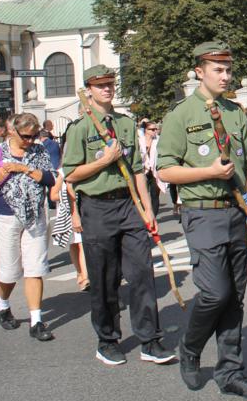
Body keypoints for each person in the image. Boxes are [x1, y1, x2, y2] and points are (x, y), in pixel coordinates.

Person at [156, 42, 247, 399]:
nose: (225, 76)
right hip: (201, 212)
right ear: (199, 71)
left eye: (228, 69)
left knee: (235, 296)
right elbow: (165, 170)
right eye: (217, 69)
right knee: (214, 293)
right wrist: (207, 172)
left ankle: (230, 371)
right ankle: (190, 347)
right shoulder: (181, 114)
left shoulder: (235, 113)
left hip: (236, 213)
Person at [61, 65, 174, 367]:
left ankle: (150, 339)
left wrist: (148, 209)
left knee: (142, 274)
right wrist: (104, 161)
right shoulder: (81, 128)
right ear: (89, 90)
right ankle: (107, 340)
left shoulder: (125, 123)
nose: (107, 89)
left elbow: (137, 169)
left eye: (110, 84)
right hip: (97, 206)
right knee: (104, 278)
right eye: (100, 86)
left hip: (128, 204)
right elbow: (71, 174)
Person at [0, 113, 57, 342]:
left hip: (35, 216)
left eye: (33, 136)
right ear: (13, 131)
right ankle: (3, 304)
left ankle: (36, 321)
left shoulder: (39, 151)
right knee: (9, 272)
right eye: (26, 136)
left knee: (35, 269)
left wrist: (25, 169)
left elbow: (50, 178)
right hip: (5, 216)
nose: (30, 141)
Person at [138, 119, 167, 216]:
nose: (155, 131)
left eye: (156, 129)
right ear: (145, 130)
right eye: (152, 129)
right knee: (143, 195)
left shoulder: (159, 140)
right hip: (143, 171)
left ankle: (154, 217)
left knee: (155, 195)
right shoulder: (139, 141)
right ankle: (145, 216)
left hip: (155, 171)